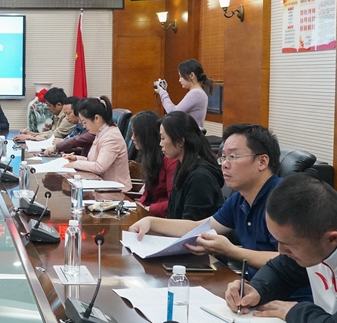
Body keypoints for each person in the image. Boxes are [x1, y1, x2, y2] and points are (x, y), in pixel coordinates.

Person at [130, 124, 311, 293]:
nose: (225, 164)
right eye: (223, 157)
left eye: (233, 157)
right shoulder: (240, 198)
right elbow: (200, 227)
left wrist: (230, 250)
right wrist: (151, 222)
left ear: (262, 162)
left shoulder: (285, 199)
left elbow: (290, 260)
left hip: (290, 299)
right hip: (257, 290)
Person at [226, 174, 337, 323]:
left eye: (288, 245)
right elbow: (282, 270)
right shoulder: (319, 226)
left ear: (332, 239)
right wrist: (256, 290)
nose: (281, 251)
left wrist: (295, 311)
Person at [158, 111, 223, 220]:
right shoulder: (183, 166)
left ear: (180, 141)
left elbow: (191, 223)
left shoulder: (200, 177)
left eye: (163, 138)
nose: (160, 143)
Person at [62, 96, 131, 188]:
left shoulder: (111, 137)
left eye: (84, 122)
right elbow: (94, 161)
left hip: (116, 189)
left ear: (97, 118)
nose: (83, 126)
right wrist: (76, 159)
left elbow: (99, 167)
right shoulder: (101, 132)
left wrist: (74, 164)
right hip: (102, 184)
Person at [129, 111, 177, 217]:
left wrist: (148, 209)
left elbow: (173, 202)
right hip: (151, 214)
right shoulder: (150, 157)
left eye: (135, 133)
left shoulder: (170, 160)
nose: (132, 137)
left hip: (164, 218)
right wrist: (137, 206)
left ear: (146, 135)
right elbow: (147, 194)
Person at [155, 59, 213, 128]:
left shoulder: (196, 93)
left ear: (192, 75)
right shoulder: (199, 93)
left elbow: (173, 113)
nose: (179, 80)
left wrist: (162, 92)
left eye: (181, 76)